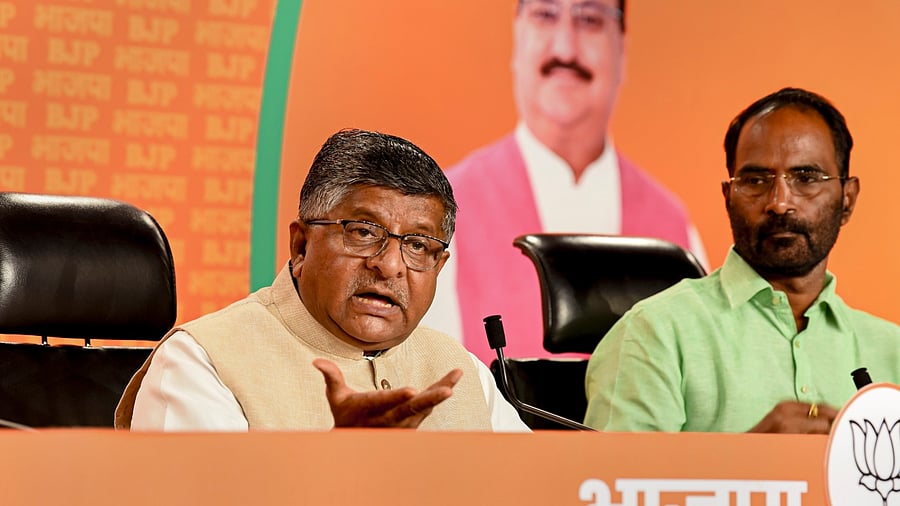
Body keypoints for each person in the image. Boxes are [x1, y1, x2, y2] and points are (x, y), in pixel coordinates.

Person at [115, 128, 529, 432]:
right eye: (364, 232)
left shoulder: (463, 372)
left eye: (418, 245)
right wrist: (335, 465)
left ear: (440, 265)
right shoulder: (202, 364)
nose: (390, 265)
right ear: (300, 247)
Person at [584, 87, 900, 433]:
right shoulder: (654, 334)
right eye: (755, 180)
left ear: (848, 200)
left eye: (806, 178)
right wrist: (749, 466)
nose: (779, 202)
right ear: (728, 198)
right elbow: (618, 483)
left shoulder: (891, 351)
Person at [422, 0, 706, 365]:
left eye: (590, 19)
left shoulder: (673, 227)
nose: (565, 48)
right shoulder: (442, 210)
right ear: (518, 35)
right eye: (545, 15)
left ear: (622, 47)